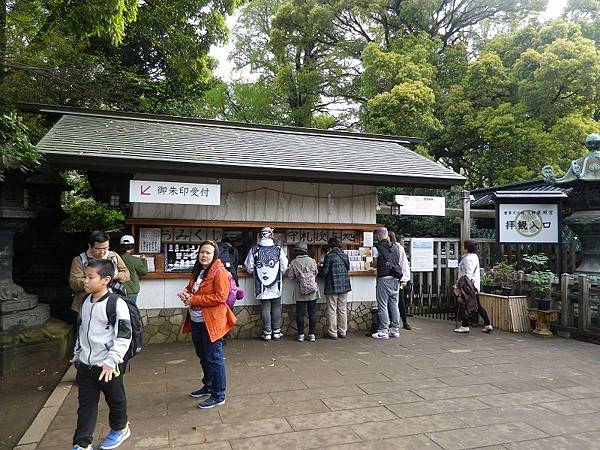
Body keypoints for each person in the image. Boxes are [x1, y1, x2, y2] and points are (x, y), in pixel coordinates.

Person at [71, 259, 132, 450]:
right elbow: (82, 331)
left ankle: (120, 428)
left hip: (108, 365)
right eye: (85, 276)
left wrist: (111, 361)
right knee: (86, 404)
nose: (85, 281)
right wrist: (78, 354)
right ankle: (82, 443)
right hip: (86, 363)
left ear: (106, 279)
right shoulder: (86, 302)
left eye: (90, 277)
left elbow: (124, 335)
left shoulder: (116, 304)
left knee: (115, 398)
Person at [178, 240, 237, 408]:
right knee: (203, 356)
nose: (204, 255)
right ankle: (208, 386)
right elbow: (192, 289)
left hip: (212, 322)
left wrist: (194, 299)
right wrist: (186, 294)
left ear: (214, 255)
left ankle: (219, 395)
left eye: (208, 253)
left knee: (214, 358)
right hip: (197, 320)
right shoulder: (199, 272)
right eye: (202, 252)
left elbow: (220, 297)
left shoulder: (220, 273)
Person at [244, 226, 288, 340]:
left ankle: (267, 332)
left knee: (265, 308)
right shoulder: (278, 249)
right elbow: (284, 266)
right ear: (270, 235)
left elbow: (249, 267)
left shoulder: (254, 249)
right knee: (277, 307)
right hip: (276, 284)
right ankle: (277, 332)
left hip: (260, 285)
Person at [69, 231, 130, 313]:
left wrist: (115, 275)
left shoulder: (113, 256)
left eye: (106, 248)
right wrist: (94, 280)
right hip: (86, 304)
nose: (103, 252)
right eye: (98, 249)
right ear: (90, 246)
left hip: (111, 302)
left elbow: (126, 274)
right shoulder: (79, 260)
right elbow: (74, 283)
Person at [371, 227, 406, 339]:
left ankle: (383, 330)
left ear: (377, 236)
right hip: (395, 278)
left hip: (384, 278)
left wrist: (371, 264)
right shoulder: (397, 247)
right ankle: (395, 329)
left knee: (382, 305)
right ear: (387, 235)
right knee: (394, 304)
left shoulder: (376, 248)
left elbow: (376, 264)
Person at [454, 239, 493, 333]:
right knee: (477, 306)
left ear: (467, 248)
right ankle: (487, 324)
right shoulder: (473, 256)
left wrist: (459, 285)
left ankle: (465, 326)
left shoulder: (468, 259)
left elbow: (468, 274)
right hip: (473, 286)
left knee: (465, 305)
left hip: (468, 286)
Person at [287, 242, 320, 342]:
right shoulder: (312, 261)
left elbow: (291, 276)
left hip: (299, 290)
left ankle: (301, 334)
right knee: (312, 313)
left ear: (297, 251)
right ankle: (312, 335)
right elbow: (316, 273)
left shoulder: (293, 262)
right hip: (312, 291)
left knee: (300, 313)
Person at [322, 237, 351, 339]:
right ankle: (343, 331)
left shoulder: (329, 256)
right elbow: (348, 268)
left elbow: (324, 272)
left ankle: (333, 332)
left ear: (330, 246)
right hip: (344, 285)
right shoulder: (345, 255)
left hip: (332, 285)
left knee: (332, 309)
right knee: (342, 309)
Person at [388, 231, 412, 330]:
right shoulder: (391, 248)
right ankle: (392, 321)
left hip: (399, 278)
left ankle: (404, 322)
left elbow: (404, 264)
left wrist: (404, 279)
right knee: (392, 302)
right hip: (393, 278)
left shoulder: (398, 248)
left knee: (400, 302)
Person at [119, 235, 148, 304]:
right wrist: (144, 260)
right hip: (131, 291)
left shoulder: (117, 258)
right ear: (132, 247)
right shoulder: (135, 260)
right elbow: (144, 271)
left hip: (118, 288)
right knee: (130, 311)